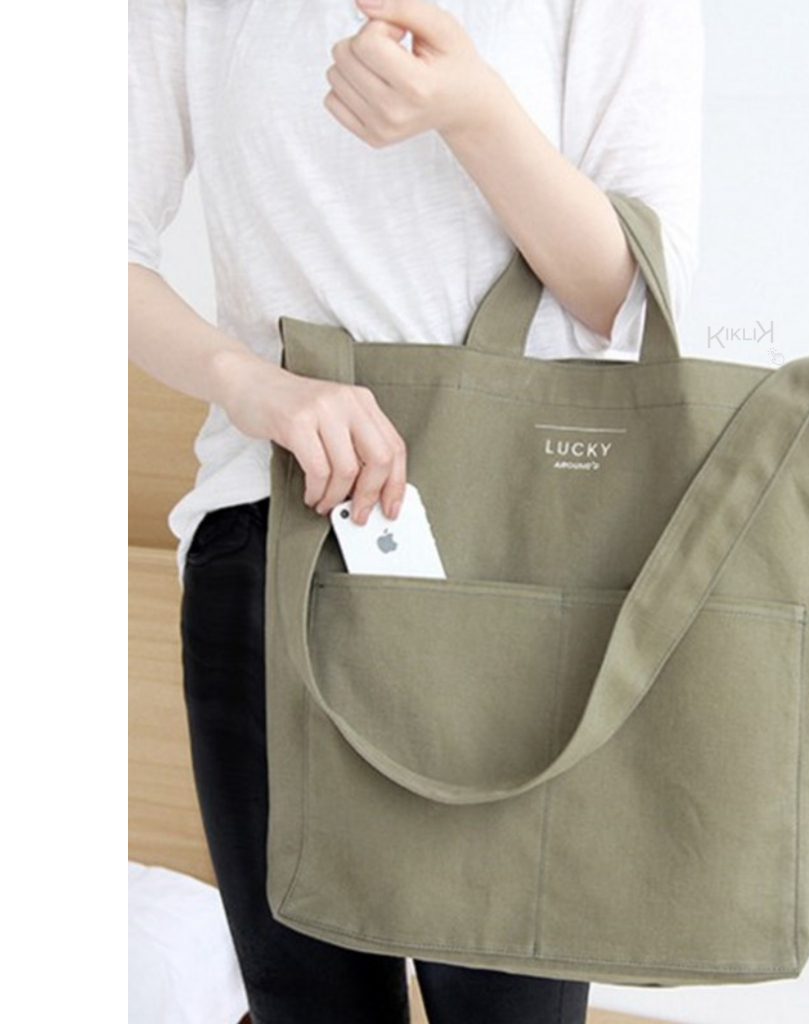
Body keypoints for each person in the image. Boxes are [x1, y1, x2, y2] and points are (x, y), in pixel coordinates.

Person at [128, 0, 703, 1021]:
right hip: (271, 533)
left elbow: (634, 302)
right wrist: (254, 385)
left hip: (514, 568)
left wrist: (474, 110)